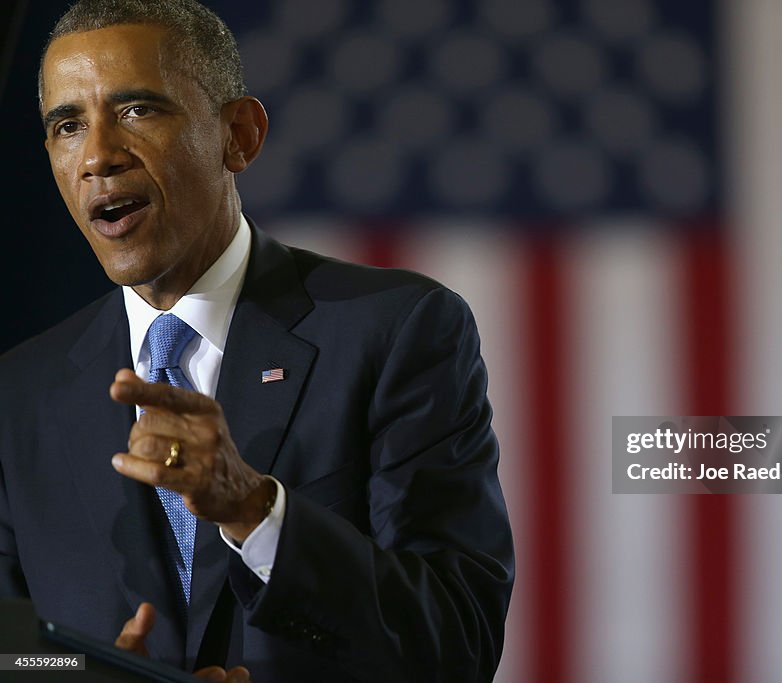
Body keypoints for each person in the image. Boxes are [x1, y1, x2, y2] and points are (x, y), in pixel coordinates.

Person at [0, 1, 514, 680]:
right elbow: (17, 653)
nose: (98, 155)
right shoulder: (20, 389)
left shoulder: (398, 331)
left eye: (136, 111)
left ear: (237, 135)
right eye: (68, 125)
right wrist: (77, 675)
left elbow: (458, 641)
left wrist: (256, 509)